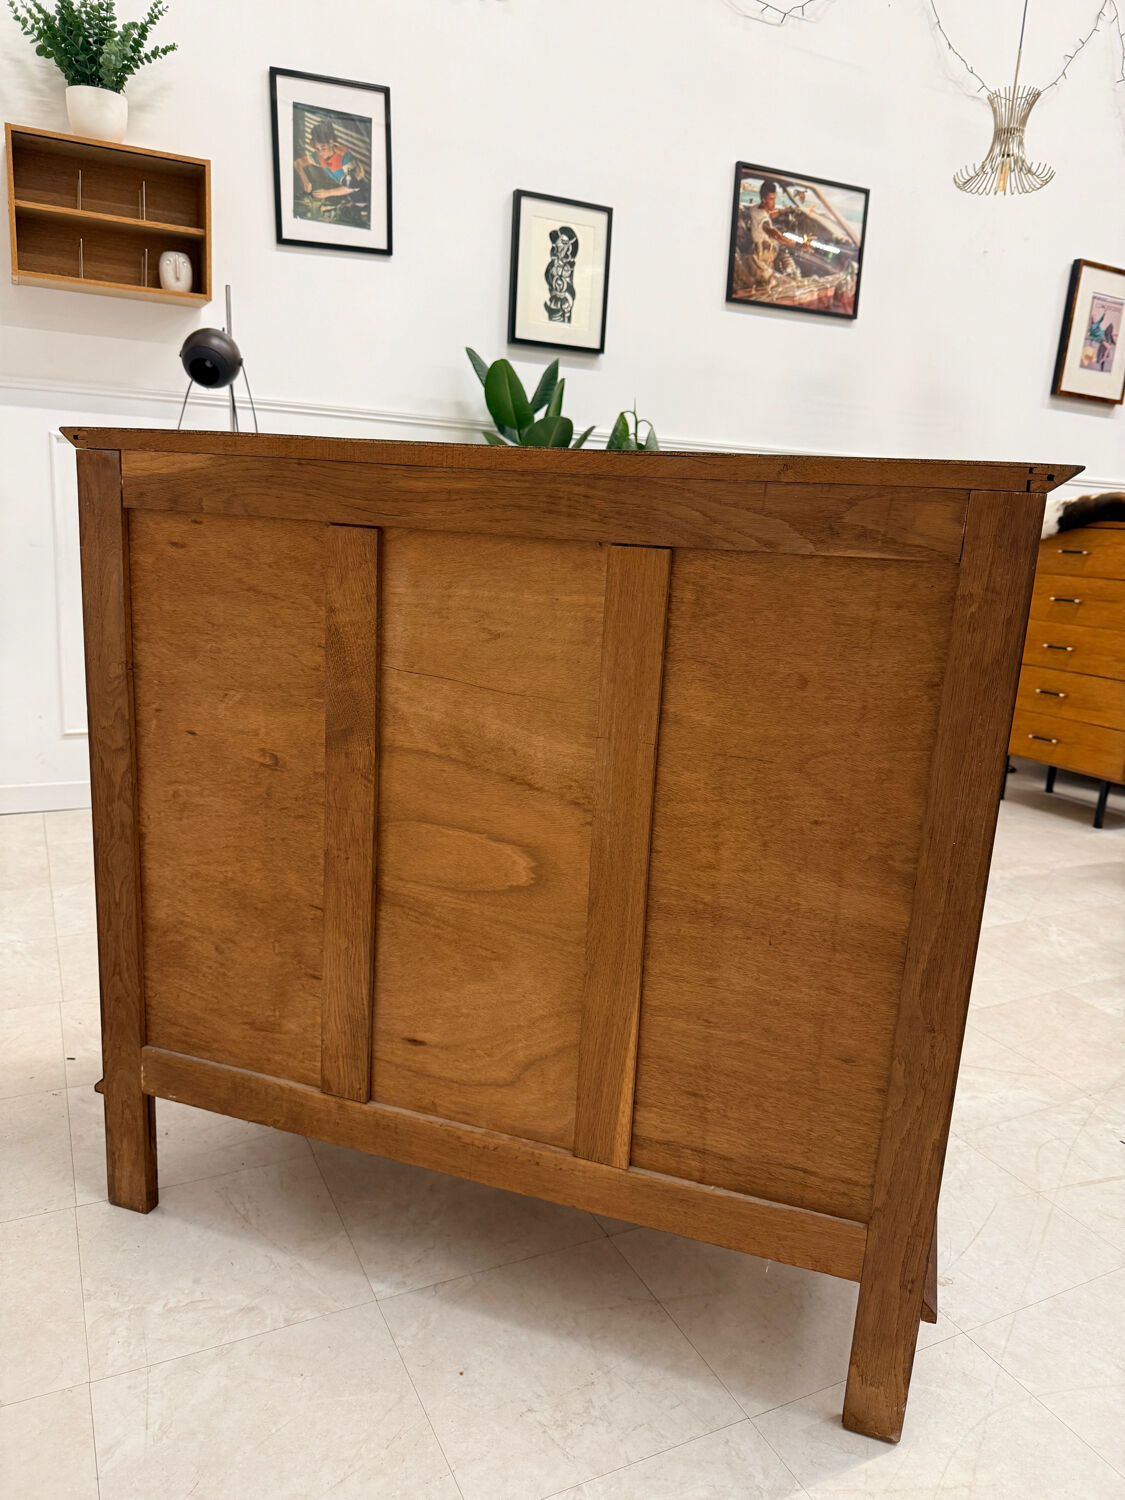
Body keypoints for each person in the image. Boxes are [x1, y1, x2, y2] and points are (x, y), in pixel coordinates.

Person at [293, 118, 366, 210]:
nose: (320, 153)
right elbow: (297, 163)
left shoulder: (346, 159)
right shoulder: (318, 156)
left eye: (323, 148)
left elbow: (353, 187)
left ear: (331, 142)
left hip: (361, 199)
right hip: (344, 197)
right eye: (317, 149)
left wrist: (327, 193)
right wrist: (304, 179)